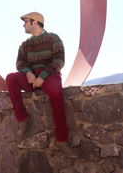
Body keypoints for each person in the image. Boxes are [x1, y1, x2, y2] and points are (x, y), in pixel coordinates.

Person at [6, 12, 74, 156]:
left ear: (35, 22)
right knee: (11, 78)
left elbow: (59, 61)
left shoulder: (53, 38)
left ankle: (61, 139)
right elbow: (19, 63)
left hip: (49, 75)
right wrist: (28, 73)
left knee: (56, 92)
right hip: (31, 77)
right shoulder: (25, 45)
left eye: (26, 22)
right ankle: (23, 118)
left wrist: (43, 76)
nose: (23, 25)